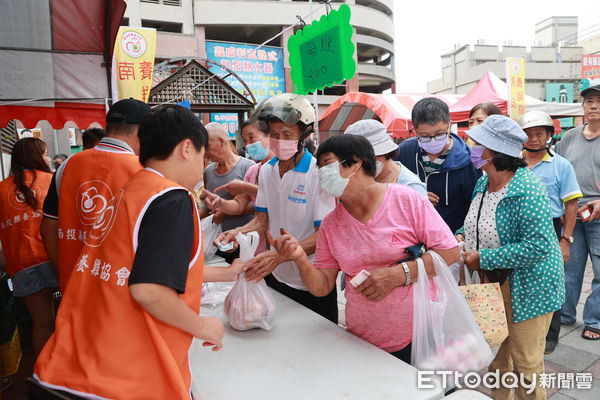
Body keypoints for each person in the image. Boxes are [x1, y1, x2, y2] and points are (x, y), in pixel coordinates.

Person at [34, 106, 237, 399]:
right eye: (203, 157)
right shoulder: (172, 198)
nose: (202, 168)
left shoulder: (128, 191)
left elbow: (142, 266)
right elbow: (149, 290)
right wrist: (203, 326)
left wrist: (228, 272)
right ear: (187, 148)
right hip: (128, 378)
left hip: (72, 366)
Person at [268, 134, 459, 363]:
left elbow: (449, 252)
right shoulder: (332, 224)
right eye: (318, 168)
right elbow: (322, 286)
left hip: (418, 336)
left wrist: (398, 274)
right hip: (362, 339)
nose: (321, 173)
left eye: (327, 164)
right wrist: (299, 258)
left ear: (356, 162)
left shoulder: (406, 199)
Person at [458, 115, 564, 400]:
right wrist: (460, 236)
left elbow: (539, 246)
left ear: (492, 151)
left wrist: (485, 258)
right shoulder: (483, 183)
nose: (471, 147)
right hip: (490, 286)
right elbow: (475, 223)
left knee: (526, 364)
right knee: (496, 358)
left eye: (476, 143)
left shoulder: (527, 189)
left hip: (529, 288)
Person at [215, 93, 338, 323]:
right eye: (274, 134)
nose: (279, 141)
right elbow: (261, 220)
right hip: (277, 277)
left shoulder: (317, 174)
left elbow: (325, 235)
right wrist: (237, 233)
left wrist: (281, 256)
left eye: (287, 134)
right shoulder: (267, 172)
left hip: (311, 281)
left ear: (304, 134)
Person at [40, 98, 151, 292]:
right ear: (143, 131)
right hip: (122, 290)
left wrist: (66, 270)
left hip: (75, 286)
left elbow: (48, 227)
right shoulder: (144, 171)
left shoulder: (66, 167)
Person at [519, 110, 582, 354]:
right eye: (528, 135)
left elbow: (571, 205)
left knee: (552, 282)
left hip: (551, 228)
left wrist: (565, 239)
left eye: (539, 134)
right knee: (524, 280)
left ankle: (550, 335)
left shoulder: (561, 165)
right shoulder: (515, 164)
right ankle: (524, 325)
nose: (533, 139)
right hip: (521, 229)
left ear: (548, 135)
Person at [0, 138, 57, 357]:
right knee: (69, 316)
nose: (48, 159)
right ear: (35, 157)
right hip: (54, 257)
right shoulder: (51, 180)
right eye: (44, 154)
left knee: (42, 324)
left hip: (22, 264)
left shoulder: (2, 189)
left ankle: (43, 374)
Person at [555, 84, 600, 340]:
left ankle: (594, 320)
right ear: (582, 107)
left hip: (598, 215)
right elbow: (557, 170)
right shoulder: (570, 137)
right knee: (569, 267)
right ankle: (565, 314)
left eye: (599, 101)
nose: (593, 105)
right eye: (589, 101)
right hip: (572, 214)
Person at [395, 98, 481, 233]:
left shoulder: (469, 159)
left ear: (449, 126)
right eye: (425, 136)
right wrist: (413, 197)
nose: (433, 140)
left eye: (439, 134)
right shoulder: (404, 152)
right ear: (415, 131)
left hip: (451, 237)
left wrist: (462, 234)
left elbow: (477, 206)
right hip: (411, 235)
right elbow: (387, 190)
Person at [203, 119, 273, 255]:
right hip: (257, 247)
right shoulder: (254, 171)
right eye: (245, 140)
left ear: (270, 136)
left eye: (251, 138)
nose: (248, 145)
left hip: (285, 244)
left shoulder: (286, 170)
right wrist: (221, 203)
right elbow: (239, 205)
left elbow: (278, 200)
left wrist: (247, 188)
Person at [201, 122, 255, 263]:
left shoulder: (248, 167)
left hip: (245, 240)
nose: (205, 151)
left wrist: (225, 211)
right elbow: (206, 207)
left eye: (207, 146)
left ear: (220, 141)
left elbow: (257, 206)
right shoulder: (208, 172)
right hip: (218, 242)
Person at [344, 120, 426, 195]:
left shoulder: (411, 187)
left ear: (385, 152)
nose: (361, 164)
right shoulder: (357, 180)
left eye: (367, 157)